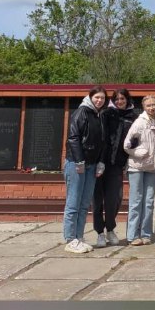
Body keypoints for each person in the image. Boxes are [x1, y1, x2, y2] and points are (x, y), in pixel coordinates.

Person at [59, 91, 108, 255]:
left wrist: (100, 161)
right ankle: (69, 238)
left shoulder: (99, 115)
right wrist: (79, 160)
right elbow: (73, 137)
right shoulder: (81, 112)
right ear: (90, 97)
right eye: (97, 97)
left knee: (84, 204)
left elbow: (102, 141)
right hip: (76, 164)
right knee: (73, 203)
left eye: (102, 98)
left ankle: (78, 237)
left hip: (92, 165)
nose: (99, 100)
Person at [93, 91, 133, 247]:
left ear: (127, 100)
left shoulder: (132, 116)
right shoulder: (106, 114)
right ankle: (99, 233)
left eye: (122, 98)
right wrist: (100, 160)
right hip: (100, 162)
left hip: (117, 164)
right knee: (97, 200)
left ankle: (110, 228)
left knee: (114, 199)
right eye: (116, 99)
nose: (119, 101)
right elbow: (101, 137)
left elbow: (134, 139)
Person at [122, 94, 155, 245]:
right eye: (148, 105)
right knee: (136, 201)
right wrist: (137, 152)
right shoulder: (139, 123)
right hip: (137, 167)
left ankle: (145, 233)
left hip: (152, 167)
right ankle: (132, 235)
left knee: (149, 201)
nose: (152, 108)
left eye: (154, 105)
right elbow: (126, 144)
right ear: (144, 107)